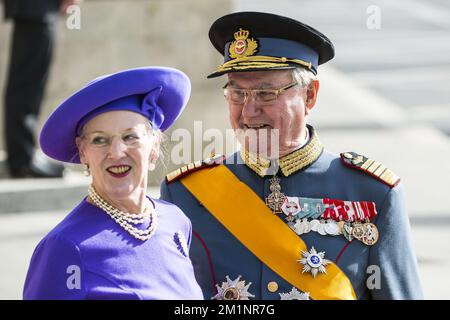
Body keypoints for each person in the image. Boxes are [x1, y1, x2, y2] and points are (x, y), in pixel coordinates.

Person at [160, 12, 423, 300]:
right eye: (237, 94)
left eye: (266, 94)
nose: (248, 112)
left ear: (309, 95)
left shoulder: (374, 193)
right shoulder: (184, 192)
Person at [23, 66, 203, 300]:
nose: (116, 152)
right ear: (83, 151)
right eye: (100, 140)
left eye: (130, 137)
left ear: (154, 146)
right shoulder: (64, 248)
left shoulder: (175, 222)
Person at [2, 0, 78, 178]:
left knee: (26, 83)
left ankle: (22, 157)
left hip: (34, 9)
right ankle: (22, 160)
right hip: (36, 8)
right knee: (27, 84)